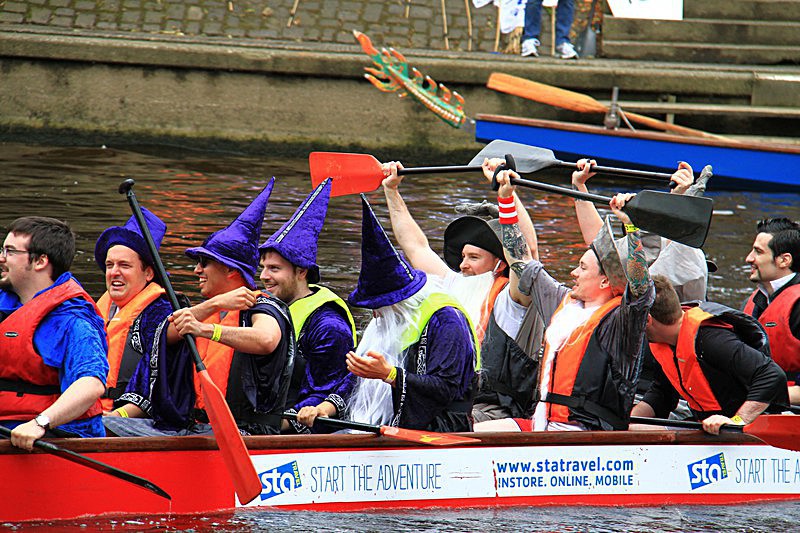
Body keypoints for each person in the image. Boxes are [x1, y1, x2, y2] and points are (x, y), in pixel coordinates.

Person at [104, 180, 296, 436]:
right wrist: (214, 305)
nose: (197, 270)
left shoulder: (262, 305)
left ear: (230, 269)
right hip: (193, 428)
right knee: (100, 426)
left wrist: (205, 329)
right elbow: (168, 333)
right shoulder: (211, 309)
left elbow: (266, 340)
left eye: (204, 263)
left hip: (244, 432)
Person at [478, 168, 655, 431]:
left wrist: (630, 226)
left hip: (587, 431)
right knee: (476, 432)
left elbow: (641, 286)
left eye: (582, 268)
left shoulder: (622, 319)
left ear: (605, 282)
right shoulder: (562, 302)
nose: (573, 272)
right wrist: (506, 200)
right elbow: (520, 260)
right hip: (542, 422)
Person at [381, 158, 543, 423]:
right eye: (462, 256)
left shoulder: (512, 299)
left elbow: (527, 255)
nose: (462, 265)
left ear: (499, 262)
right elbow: (415, 247)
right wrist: (392, 191)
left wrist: (508, 194)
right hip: (448, 401)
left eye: (474, 257)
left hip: (494, 411)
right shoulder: (454, 285)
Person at [345, 195, 478, 432]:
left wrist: (391, 375)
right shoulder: (386, 321)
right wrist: (325, 407)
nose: (375, 314)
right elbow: (353, 382)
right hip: (386, 426)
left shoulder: (446, 320)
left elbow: (446, 388)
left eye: (379, 306)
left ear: (397, 302)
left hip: (442, 429)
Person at [0, 217, 108, 449]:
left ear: (40, 261)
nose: (1, 258)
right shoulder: (5, 306)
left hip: (55, 436)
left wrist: (40, 423)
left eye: (9, 251)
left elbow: (91, 384)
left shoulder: (74, 322)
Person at [258, 179, 356, 433]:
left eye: (274, 269)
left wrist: (275, 424)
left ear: (301, 272)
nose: (264, 277)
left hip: (290, 427)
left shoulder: (329, 326)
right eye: (264, 268)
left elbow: (327, 391)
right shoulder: (265, 305)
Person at [631, 275, 788, 435]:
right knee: (632, 428)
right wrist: (626, 421)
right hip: (706, 427)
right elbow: (662, 395)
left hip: (746, 429)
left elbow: (772, 375)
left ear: (647, 320)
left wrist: (737, 421)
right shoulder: (663, 342)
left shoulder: (712, 340)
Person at [93, 208, 173, 414]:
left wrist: (117, 416)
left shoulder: (160, 312)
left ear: (148, 273)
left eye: (124, 265)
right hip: (87, 409)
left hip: (128, 418)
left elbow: (155, 381)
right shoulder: (93, 310)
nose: (114, 272)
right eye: (109, 265)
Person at [741, 218, 800, 396]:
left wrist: (759, 398)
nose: (748, 258)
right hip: (755, 399)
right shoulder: (753, 301)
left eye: (758, 252)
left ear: (784, 260)